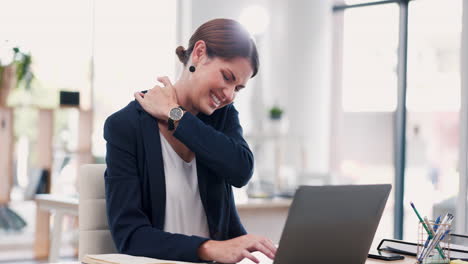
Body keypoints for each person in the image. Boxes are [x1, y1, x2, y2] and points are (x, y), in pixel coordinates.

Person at [103, 18, 277, 264]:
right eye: (227, 77)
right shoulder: (126, 126)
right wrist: (210, 248)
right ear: (199, 53)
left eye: (238, 88)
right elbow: (130, 237)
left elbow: (241, 171)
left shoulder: (221, 116)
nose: (229, 95)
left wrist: (175, 114)